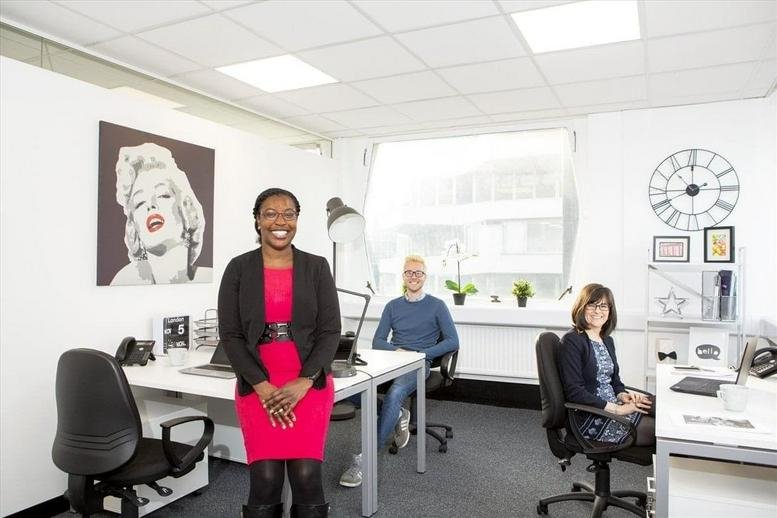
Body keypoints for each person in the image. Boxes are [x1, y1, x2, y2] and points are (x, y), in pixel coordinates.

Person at [218, 187, 340, 518]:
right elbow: (230, 334)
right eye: (270, 213)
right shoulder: (238, 268)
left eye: (289, 214)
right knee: (266, 479)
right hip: (259, 383)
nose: (280, 221)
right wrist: (261, 386)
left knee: (306, 477)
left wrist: (304, 381)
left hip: (308, 383)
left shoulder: (316, 267)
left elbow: (330, 331)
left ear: (297, 220)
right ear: (257, 220)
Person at [340, 254, 459, 488]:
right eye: (409, 272)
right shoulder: (393, 306)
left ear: (425, 277)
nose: (413, 276)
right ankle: (395, 414)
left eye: (418, 273)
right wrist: (398, 350)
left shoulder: (437, 305)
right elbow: (378, 341)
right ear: (403, 276)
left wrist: (423, 353)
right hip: (393, 361)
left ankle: (365, 459)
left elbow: (453, 341)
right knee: (354, 387)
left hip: (418, 364)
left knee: (395, 394)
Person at [558, 283, 655, 446]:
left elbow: (614, 381)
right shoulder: (572, 340)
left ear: (610, 311)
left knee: (661, 407)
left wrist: (623, 395)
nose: (598, 310)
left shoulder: (607, 340)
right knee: (657, 431)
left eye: (603, 306)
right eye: (592, 305)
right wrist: (618, 410)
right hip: (592, 416)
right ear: (581, 307)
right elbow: (574, 392)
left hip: (614, 404)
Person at [111, 142, 211, 285]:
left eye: (163, 195)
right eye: (139, 203)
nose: (150, 205)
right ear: (134, 227)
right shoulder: (125, 280)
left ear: (187, 211)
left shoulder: (209, 278)